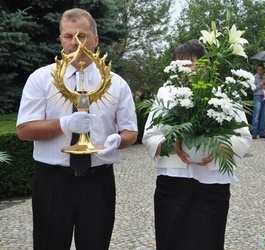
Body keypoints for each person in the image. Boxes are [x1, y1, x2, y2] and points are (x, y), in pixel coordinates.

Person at [16, 8, 138, 249]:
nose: (75, 43)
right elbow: (24, 130)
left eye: (82, 36)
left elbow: (130, 131)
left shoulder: (116, 83)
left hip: (98, 180)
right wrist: (64, 124)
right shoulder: (41, 79)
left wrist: (118, 140)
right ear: (61, 39)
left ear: (95, 39)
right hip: (52, 180)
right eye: (68, 36)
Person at [142, 39, 252, 250]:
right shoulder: (165, 92)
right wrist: (170, 144)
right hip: (173, 180)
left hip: (212, 182)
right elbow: (150, 135)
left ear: (206, 65)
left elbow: (243, 136)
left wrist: (219, 149)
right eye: (180, 65)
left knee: (208, 239)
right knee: (170, 238)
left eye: (191, 64)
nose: (186, 70)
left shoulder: (226, 93)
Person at [251, 64, 265, 139]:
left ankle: (262, 133)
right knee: (256, 116)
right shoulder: (254, 77)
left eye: (261, 69)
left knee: (264, 117)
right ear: (257, 69)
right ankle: (254, 133)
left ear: (263, 70)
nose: (260, 70)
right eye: (258, 69)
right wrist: (261, 83)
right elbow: (253, 88)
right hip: (258, 97)